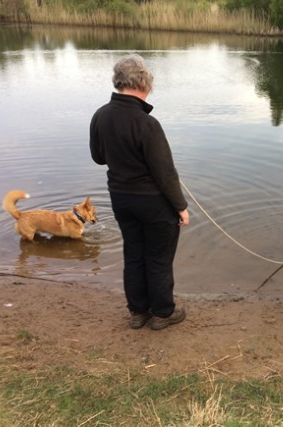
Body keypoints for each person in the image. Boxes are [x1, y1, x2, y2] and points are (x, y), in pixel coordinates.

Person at [89, 54, 189, 330]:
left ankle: (137, 312)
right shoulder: (148, 124)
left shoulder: (100, 115)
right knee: (158, 257)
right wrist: (181, 207)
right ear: (143, 82)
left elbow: (98, 157)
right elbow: (165, 173)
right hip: (154, 205)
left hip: (121, 200)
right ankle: (162, 314)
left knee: (134, 254)